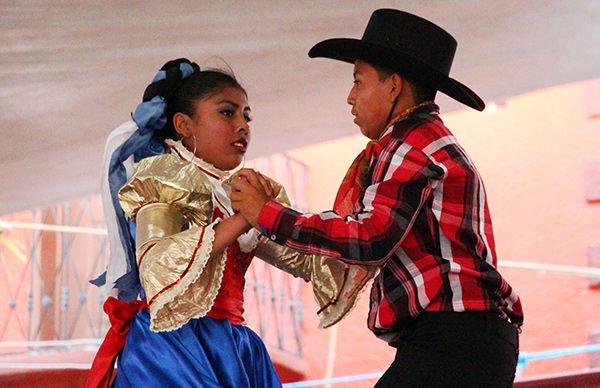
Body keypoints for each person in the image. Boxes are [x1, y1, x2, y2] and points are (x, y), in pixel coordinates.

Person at [230, 9, 523, 388]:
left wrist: (269, 215)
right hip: (467, 337)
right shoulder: (423, 141)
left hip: (454, 336)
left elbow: (370, 237)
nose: (350, 97)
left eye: (358, 81)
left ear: (394, 87)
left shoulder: (408, 146)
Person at [85, 58, 374, 388]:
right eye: (227, 112)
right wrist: (244, 218)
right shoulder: (164, 176)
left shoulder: (241, 190)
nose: (243, 125)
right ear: (183, 124)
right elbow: (156, 266)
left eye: (246, 115)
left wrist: (365, 208)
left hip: (231, 348)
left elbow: (306, 260)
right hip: (173, 350)